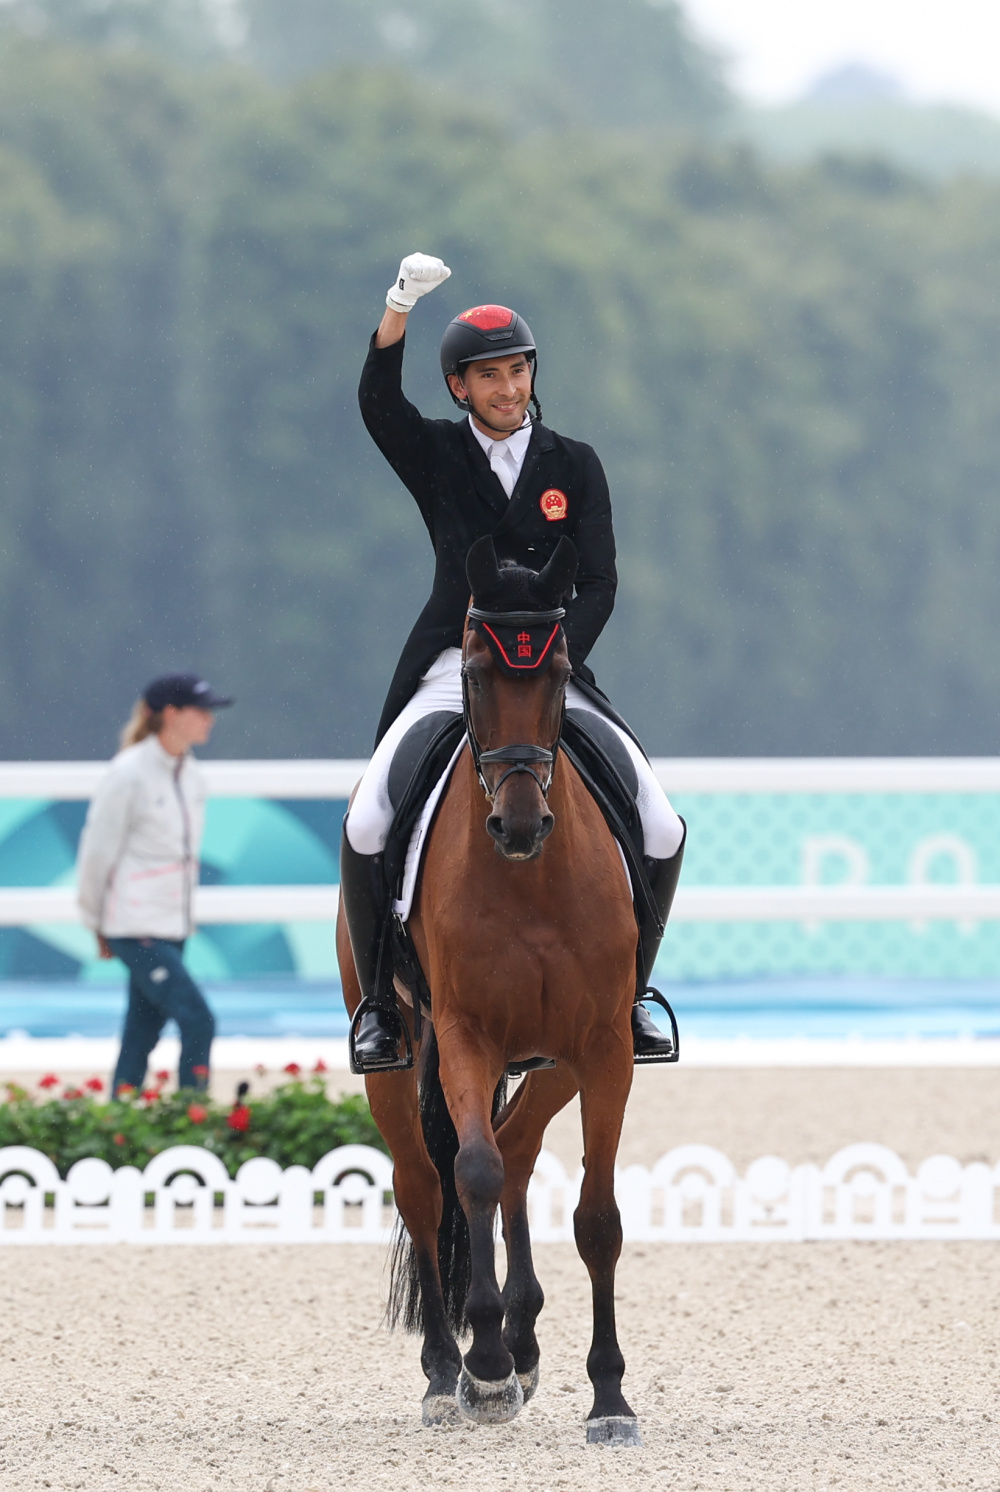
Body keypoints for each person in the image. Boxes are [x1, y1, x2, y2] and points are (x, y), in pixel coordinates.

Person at [343, 252, 687, 1073]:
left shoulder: (576, 464)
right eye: (489, 376)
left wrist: (553, 659)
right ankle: (380, 1009)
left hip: (549, 672)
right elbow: (376, 403)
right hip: (450, 665)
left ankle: (633, 994)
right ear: (459, 387)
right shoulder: (436, 454)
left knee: (663, 823)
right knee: (366, 821)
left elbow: (601, 581)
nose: (508, 388)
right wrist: (398, 308)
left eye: (519, 370)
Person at [76, 673, 233, 1094]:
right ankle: (191, 1120)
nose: (209, 720)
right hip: (134, 925)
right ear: (171, 714)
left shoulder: (192, 776)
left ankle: (119, 1122)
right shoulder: (128, 773)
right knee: (198, 1018)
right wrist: (96, 923)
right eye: (201, 711)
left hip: (171, 926)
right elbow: (96, 852)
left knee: (141, 1032)